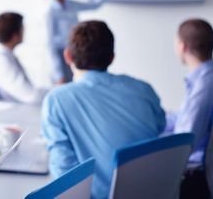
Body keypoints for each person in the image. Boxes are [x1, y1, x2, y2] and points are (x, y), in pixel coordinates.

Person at [41, 20, 165, 199]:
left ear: (67, 56)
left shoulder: (56, 100)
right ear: (112, 57)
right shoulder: (143, 89)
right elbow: (160, 126)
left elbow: (63, 175)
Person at [45, 0, 125, 84]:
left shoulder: (69, 4)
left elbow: (94, 4)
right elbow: (50, 46)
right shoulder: (49, 10)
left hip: (75, 56)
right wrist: (58, 74)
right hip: (60, 62)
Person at [169, 18, 213, 198]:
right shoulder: (206, 77)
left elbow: (184, 139)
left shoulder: (205, 85)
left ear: (182, 46)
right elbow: (182, 118)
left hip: (196, 181)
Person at [0, 12, 47, 104]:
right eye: (23, 29)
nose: (25, 32)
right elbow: (31, 96)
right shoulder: (1, 60)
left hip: (17, 107)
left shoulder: (2, 55)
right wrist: (58, 91)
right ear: (15, 35)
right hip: (16, 111)